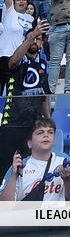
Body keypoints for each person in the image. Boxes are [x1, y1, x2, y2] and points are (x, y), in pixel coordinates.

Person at [0, 21, 51, 170]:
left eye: (38, 39)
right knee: (5, 167)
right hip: (12, 123)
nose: (35, 41)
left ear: (42, 43)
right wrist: (33, 34)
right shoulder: (15, 58)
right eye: (32, 38)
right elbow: (13, 62)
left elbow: (44, 96)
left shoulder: (43, 64)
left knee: (29, 168)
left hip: (33, 125)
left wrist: (48, 120)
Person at [0, 118, 70, 202]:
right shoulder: (20, 165)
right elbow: (4, 205)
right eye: (40, 132)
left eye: (50, 132)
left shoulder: (63, 160)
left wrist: (69, 179)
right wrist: (13, 176)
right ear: (29, 143)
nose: (46, 135)